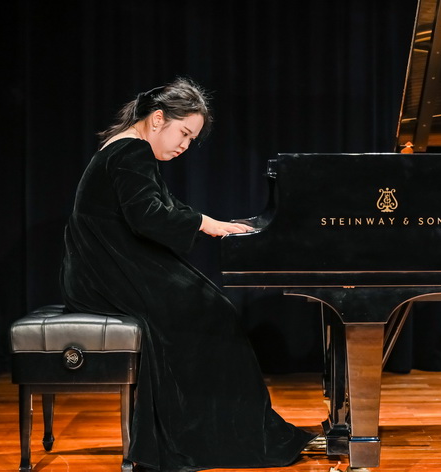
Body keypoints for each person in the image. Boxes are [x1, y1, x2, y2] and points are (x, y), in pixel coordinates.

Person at [60, 76, 317, 471]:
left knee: (211, 308)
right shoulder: (132, 151)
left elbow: (159, 207)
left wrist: (211, 223)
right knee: (213, 313)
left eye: (191, 139)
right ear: (158, 119)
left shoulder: (125, 148)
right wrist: (206, 224)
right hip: (107, 273)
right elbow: (148, 216)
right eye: (184, 133)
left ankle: (218, 431)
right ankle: (218, 437)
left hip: (100, 268)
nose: (185, 145)